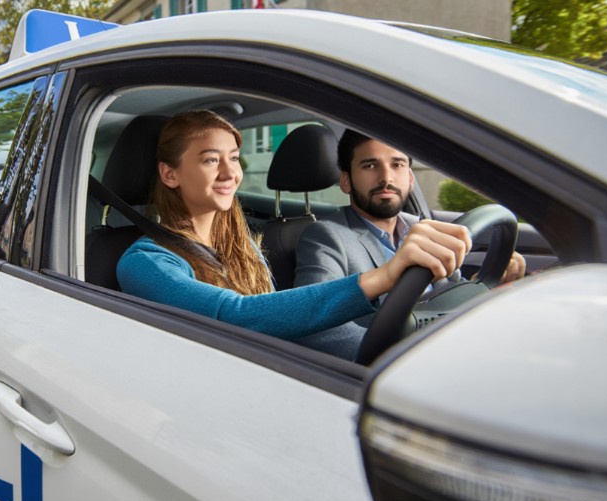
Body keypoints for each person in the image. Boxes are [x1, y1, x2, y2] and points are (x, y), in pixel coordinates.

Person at [116, 111, 471, 345]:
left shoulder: (241, 243)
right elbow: (236, 316)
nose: (230, 173)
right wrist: (385, 275)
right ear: (170, 174)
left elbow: (272, 316)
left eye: (235, 159)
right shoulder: (144, 262)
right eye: (211, 159)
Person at [293, 129, 525, 359]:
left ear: (411, 178)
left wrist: (485, 287)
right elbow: (315, 324)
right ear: (346, 181)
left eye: (397, 164)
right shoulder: (327, 235)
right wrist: (405, 358)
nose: (386, 178)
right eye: (370, 165)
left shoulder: (424, 227)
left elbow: (450, 291)